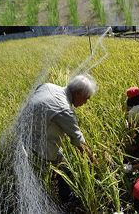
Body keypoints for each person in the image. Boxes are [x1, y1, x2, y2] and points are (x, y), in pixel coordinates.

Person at [21, 74, 96, 203]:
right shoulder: (64, 110)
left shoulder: (48, 86)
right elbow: (78, 140)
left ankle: (49, 170)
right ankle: (67, 198)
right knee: (66, 167)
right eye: (86, 99)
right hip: (35, 140)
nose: (85, 103)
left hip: (23, 130)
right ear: (77, 93)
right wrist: (93, 161)